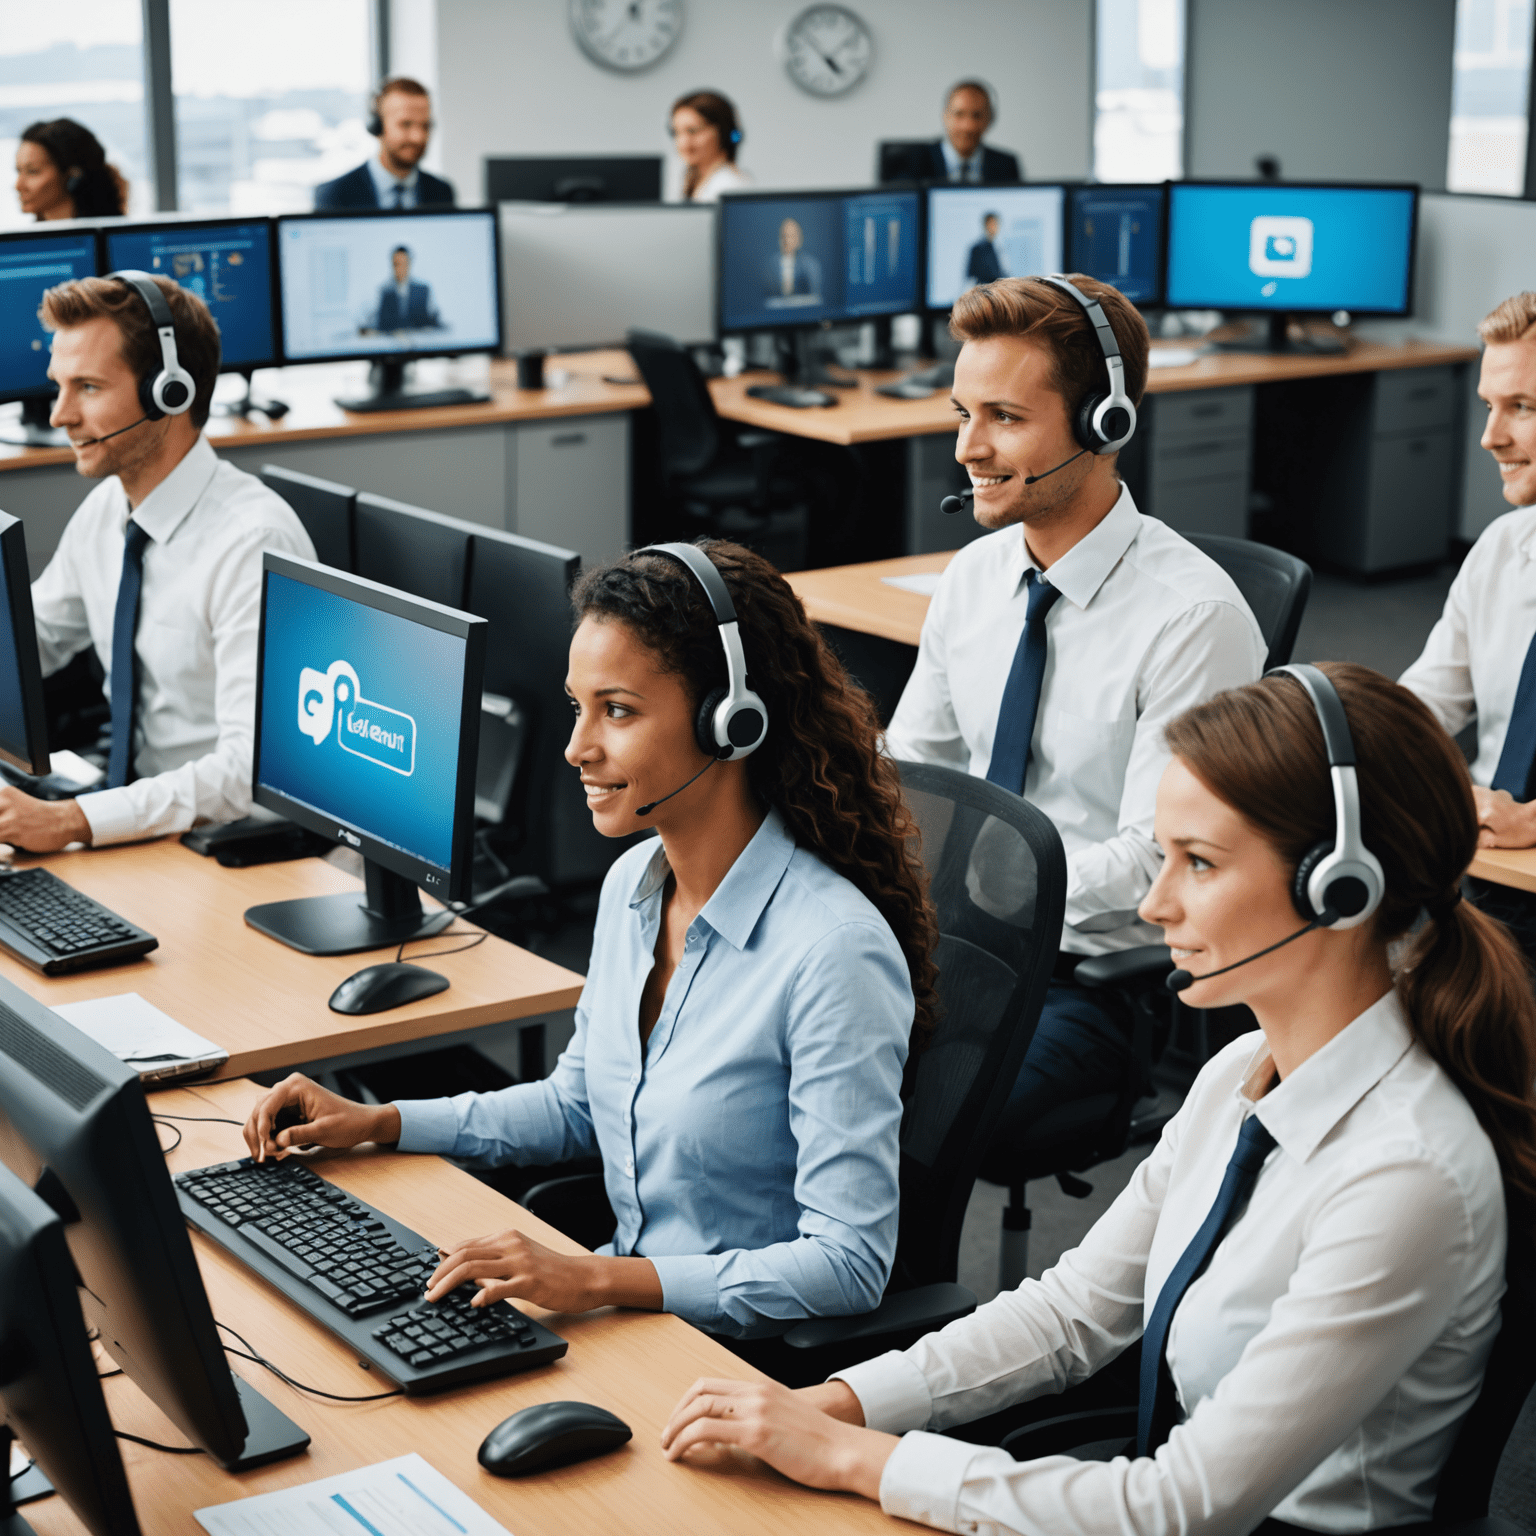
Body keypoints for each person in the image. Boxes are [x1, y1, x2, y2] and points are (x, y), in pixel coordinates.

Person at [662, 662, 1536, 1534]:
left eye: (1199, 864)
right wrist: (839, 1405)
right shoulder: (1239, 1072)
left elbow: (1187, 1505)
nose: (1156, 904)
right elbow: (1072, 1313)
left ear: (1339, 887)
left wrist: (859, 1460)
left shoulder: (1408, 1174)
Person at [241, 540, 939, 1355]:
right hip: (624, 1321)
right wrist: (377, 1122)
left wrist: (595, 1279)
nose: (577, 748)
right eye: (578, 707)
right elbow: (578, 1104)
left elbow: (848, 1265)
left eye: (619, 710)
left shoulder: (833, 953)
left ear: (732, 721)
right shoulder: (635, 884)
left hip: (738, 1363)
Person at [883, 274, 1265, 1166]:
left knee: (903, 1118)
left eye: (1005, 419)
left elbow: (1155, 859)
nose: (968, 449)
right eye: (961, 413)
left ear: (1107, 425)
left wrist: (982, 894)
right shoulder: (975, 578)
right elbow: (913, 771)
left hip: (1089, 982)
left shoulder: (1190, 619)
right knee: (761, 1057)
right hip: (945, 947)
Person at [0, 273, 315, 851]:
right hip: (140, 824)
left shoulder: (253, 544)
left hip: (229, 844)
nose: (59, 416)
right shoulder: (109, 510)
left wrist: (73, 821)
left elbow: (250, 771)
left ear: (170, 392)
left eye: (88, 387)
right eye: (59, 387)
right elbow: (31, 641)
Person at [1401, 288, 1536, 961]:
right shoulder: (1504, 550)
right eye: (1490, 406)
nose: (1492, 437)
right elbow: (1420, 707)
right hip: (1479, 885)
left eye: (1523, 408)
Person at [314, 77, 454, 210]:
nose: (418, 137)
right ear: (377, 126)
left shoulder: (442, 192)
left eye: (425, 126)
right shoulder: (334, 195)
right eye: (405, 124)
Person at [15, 118, 127, 220]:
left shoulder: (119, 240)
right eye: (19, 171)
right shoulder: (24, 241)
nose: (19, 186)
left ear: (74, 177)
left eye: (33, 171)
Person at [669, 90, 751, 203]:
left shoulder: (730, 186)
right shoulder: (690, 181)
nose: (683, 143)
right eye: (676, 133)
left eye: (693, 131)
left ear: (723, 133)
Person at [365, 245, 442, 333]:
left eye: (404, 264)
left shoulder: (423, 290)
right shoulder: (384, 291)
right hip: (391, 342)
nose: (400, 268)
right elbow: (376, 321)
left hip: (420, 340)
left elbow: (434, 318)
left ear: (409, 264)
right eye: (397, 264)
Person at [763, 217, 823, 305]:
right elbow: (767, 297)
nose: (787, 241)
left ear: (798, 240)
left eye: (791, 236)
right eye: (784, 236)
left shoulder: (810, 264)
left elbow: (815, 296)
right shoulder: (772, 264)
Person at [965, 212, 1004, 286]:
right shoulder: (977, 249)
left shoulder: (999, 247)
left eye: (995, 224)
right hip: (985, 290)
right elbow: (970, 274)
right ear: (985, 226)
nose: (993, 227)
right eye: (990, 224)